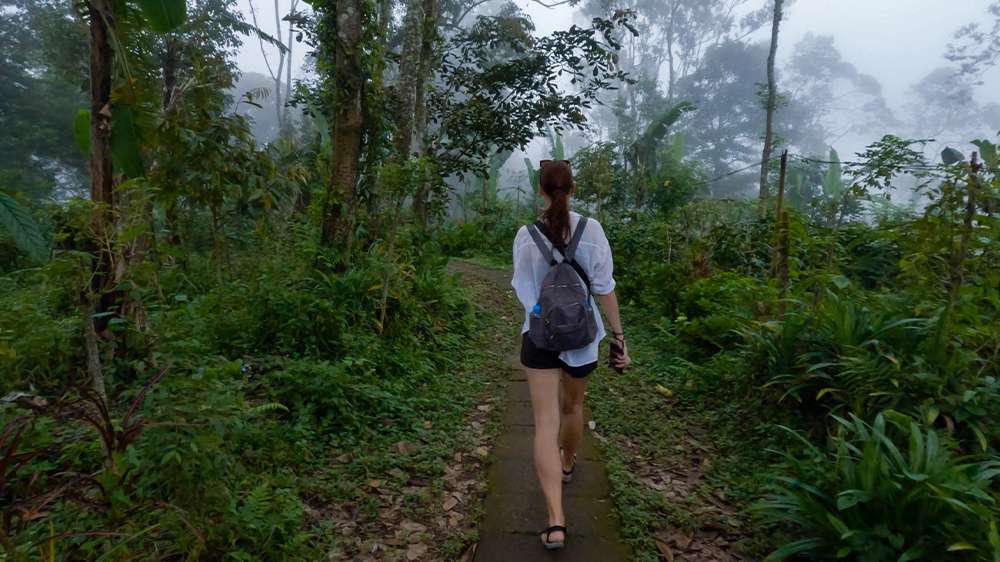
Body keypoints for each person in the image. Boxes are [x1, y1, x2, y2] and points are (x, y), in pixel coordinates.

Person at [510, 159, 631, 550]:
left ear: (541, 190)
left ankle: (556, 522)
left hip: (539, 336)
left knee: (545, 422)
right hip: (582, 337)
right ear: (573, 189)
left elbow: (523, 290)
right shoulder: (592, 230)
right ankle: (566, 464)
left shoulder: (526, 235)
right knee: (573, 407)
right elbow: (605, 288)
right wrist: (619, 336)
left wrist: (543, 310)